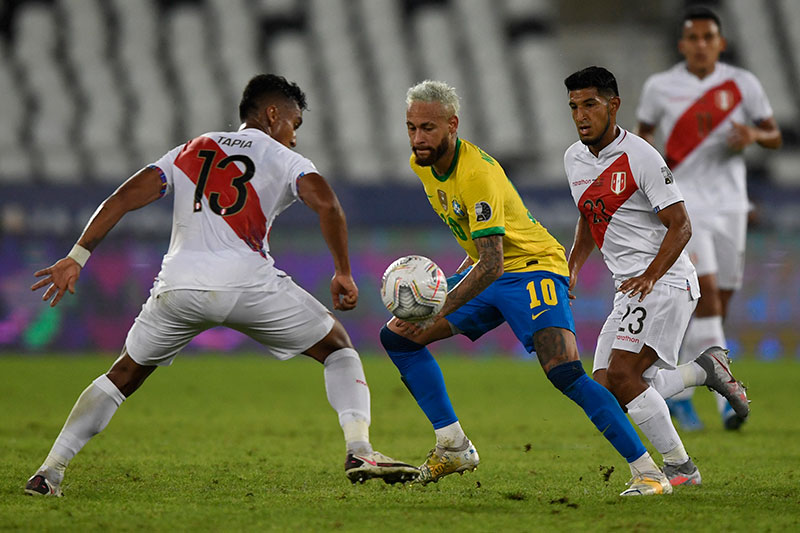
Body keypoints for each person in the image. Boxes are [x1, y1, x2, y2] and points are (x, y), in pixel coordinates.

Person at [24, 74, 418, 497]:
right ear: (272, 115)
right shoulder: (284, 158)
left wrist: (77, 255)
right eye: (294, 124)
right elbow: (328, 204)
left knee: (123, 374)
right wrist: (342, 270)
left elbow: (121, 198)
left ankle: (49, 471)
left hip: (178, 288)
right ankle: (359, 449)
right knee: (338, 347)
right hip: (247, 284)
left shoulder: (192, 149)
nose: (295, 138)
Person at [381, 79, 672, 497]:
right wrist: (444, 286)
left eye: (427, 128)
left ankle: (649, 474)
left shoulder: (477, 173)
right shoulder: (421, 165)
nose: (418, 138)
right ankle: (453, 445)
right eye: (411, 127)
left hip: (534, 270)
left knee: (566, 374)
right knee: (397, 337)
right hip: (488, 270)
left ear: (452, 125)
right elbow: (478, 247)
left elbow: (495, 260)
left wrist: (437, 306)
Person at [563, 66, 750, 488]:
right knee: (605, 391)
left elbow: (681, 225)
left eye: (590, 104)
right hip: (628, 288)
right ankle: (703, 370)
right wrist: (573, 264)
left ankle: (680, 469)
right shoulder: (573, 158)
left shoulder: (642, 157)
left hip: (664, 282)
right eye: (574, 106)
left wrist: (650, 275)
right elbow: (588, 213)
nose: (580, 115)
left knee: (626, 377)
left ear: (613, 105)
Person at [636, 6, 781, 430]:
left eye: (708, 38)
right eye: (693, 38)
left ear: (721, 43)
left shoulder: (743, 84)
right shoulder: (660, 87)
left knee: (720, 301)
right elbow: (642, 137)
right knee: (710, 293)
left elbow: (774, 135)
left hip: (732, 205)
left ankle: (679, 385)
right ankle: (724, 399)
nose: (700, 45)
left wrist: (753, 135)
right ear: (682, 44)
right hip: (686, 204)